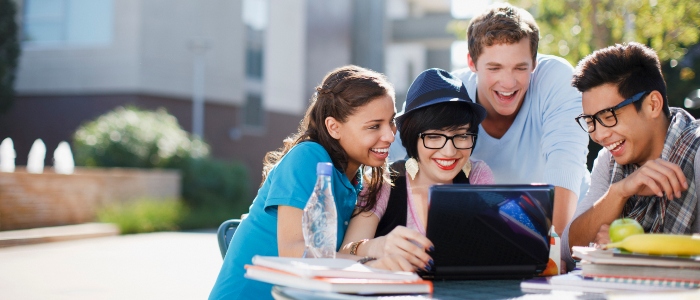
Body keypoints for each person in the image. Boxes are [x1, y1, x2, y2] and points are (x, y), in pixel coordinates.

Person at [209, 65, 412, 300]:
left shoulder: (356, 181)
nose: (389, 136)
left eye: (391, 122)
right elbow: (295, 254)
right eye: (374, 126)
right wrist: (372, 262)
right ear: (334, 127)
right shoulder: (308, 158)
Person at [451, 3, 590, 236]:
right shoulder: (452, 93)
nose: (508, 83)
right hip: (488, 232)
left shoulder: (557, 78)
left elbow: (566, 163)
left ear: (534, 62)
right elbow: (404, 158)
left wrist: (555, 250)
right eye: (494, 68)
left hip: (570, 227)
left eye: (520, 68)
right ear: (472, 63)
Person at [562, 42, 700, 271]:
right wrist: (618, 192)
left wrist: (636, 250)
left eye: (608, 116)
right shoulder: (609, 161)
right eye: (590, 121)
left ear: (652, 104)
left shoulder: (696, 152)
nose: (598, 134)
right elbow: (569, 248)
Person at [339, 68, 494, 271]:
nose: (449, 151)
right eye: (433, 137)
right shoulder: (385, 180)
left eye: (462, 136)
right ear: (413, 137)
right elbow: (345, 252)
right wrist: (376, 249)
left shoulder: (477, 175)